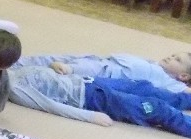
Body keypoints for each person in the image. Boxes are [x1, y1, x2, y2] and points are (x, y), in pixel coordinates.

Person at [9, 65, 191, 136]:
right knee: (155, 108)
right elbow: (49, 106)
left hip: (90, 81)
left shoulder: (13, 69)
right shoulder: (14, 89)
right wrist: (89, 116)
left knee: (144, 87)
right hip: (91, 99)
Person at [12, 51, 191, 94]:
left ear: (183, 76)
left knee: (66, 68)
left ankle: (66, 69)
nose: (171, 57)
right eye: (173, 55)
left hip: (109, 73)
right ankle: (14, 62)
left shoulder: (171, 83)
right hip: (102, 60)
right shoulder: (155, 64)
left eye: (177, 60)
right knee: (57, 57)